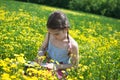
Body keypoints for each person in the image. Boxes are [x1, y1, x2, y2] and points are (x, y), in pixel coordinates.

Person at [36, 10, 79, 79]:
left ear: (66, 29)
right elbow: (43, 48)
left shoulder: (72, 45)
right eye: (50, 32)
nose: (53, 36)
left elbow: (74, 65)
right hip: (45, 66)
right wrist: (40, 54)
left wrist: (56, 66)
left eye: (56, 34)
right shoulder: (50, 35)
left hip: (60, 72)